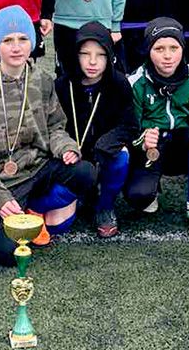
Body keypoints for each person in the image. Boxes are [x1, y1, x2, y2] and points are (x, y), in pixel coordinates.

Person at [0, 5, 96, 267]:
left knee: (86, 173)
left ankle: (36, 209)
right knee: (8, 253)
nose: (16, 47)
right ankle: (12, 214)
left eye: (23, 39)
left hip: (38, 168)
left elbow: (56, 126)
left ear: (33, 42)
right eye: (7, 40)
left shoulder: (42, 79)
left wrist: (66, 147)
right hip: (3, 180)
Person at [125, 17, 189, 238]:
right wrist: (142, 140)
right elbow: (128, 130)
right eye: (159, 48)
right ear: (148, 50)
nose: (167, 56)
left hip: (182, 145)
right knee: (139, 197)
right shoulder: (136, 82)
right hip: (153, 149)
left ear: (182, 49)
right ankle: (152, 187)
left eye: (174, 48)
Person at [54, 22, 140, 237]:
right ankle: (82, 195)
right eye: (85, 54)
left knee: (121, 157)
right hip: (72, 155)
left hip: (104, 152)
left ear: (110, 56)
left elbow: (130, 125)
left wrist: (107, 143)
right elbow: (52, 126)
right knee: (55, 221)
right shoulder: (62, 85)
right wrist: (66, 148)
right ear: (76, 55)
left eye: (100, 55)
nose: (92, 62)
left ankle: (105, 206)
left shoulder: (119, 83)